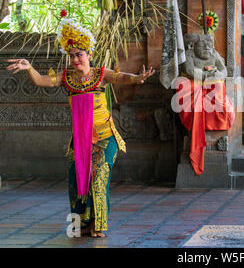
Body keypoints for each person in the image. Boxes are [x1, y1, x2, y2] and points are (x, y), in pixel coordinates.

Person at [6, 17, 155, 238]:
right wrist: (29, 68)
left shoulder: (100, 75)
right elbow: (41, 81)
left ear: (89, 55)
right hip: (80, 139)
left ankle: (99, 225)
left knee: (98, 178)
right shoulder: (66, 78)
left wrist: (137, 79)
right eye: (72, 55)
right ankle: (80, 224)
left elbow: (121, 77)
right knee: (76, 181)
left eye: (80, 55)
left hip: (105, 137)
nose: (76, 59)